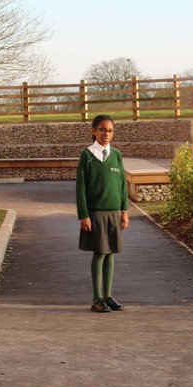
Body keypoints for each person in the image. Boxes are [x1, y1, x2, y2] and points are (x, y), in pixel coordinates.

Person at [76, 115, 130, 313]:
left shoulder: (116, 155)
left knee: (110, 254)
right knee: (99, 252)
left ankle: (108, 296)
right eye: (102, 130)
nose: (106, 134)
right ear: (94, 131)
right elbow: (80, 188)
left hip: (114, 212)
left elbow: (122, 185)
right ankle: (97, 298)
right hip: (96, 213)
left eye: (110, 131)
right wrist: (84, 214)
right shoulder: (87, 156)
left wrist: (125, 211)